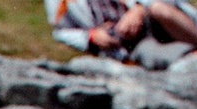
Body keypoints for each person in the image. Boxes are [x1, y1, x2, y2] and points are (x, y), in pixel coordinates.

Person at [47, 0, 197, 62]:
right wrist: (91, 37)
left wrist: (139, 9)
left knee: (159, 10)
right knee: (156, 56)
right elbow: (60, 31)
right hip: (129, 44)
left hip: (167, 20)